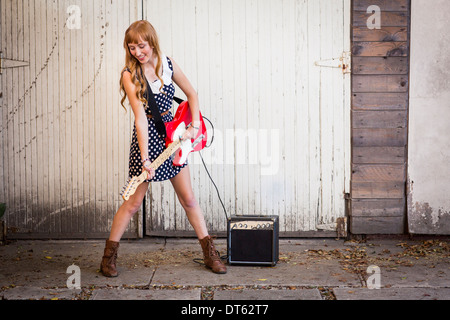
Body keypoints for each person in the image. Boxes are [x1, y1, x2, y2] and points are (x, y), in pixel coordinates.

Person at [100, 20, 226, 277]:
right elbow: (140, 119)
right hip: (147, 142)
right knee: (133, 203)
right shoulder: (129, 74)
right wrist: (146, 159)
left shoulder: (167, 63)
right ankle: (108, 258)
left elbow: (192, 94)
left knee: (188, 199)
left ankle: (210, 253)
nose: (137, 52)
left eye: (141, 45)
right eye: (132, 47)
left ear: (152, 42)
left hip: (174, 140)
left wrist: (193, 125)